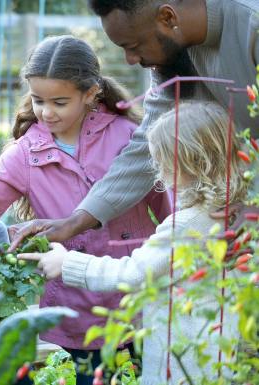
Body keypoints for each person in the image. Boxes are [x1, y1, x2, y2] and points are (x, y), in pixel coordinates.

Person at [0, 35, 170, 383]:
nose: (46, 112)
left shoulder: (128, 137)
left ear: (90, 93)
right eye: (39, 101)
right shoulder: (27, 153)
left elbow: (168, 209)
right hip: (78, 304)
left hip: (137, 294)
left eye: (59, 102)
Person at [21, 102, 245, 385]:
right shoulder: (231, 214)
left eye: (162, 161)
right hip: (217, 355)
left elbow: (132, 273)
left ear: (189, 162)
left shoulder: (187, 224)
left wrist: (67, 264)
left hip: (179, 366)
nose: (158, 170)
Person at [9, 0, 259, 251]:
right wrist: (76, 222)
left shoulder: (252, 24)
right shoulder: (172, 54)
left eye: (133, 46)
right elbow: (144, 150)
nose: (130, 60)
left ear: (168, 18)